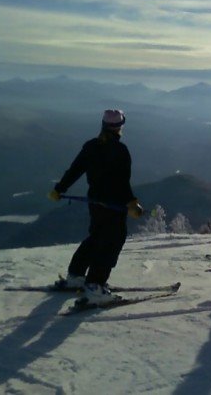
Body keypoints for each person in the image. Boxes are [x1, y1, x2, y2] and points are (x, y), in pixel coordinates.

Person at [47, 109, 144, 304]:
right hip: (113, 205)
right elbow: (122, 182)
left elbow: (75, 170)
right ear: (120, 127)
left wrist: (59, 189)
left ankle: (76, 276)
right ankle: (95, 286)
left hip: (95, 203)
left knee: (96, 237)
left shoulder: (91, 146)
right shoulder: (120, 150)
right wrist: (132, 204)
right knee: (111, 241)